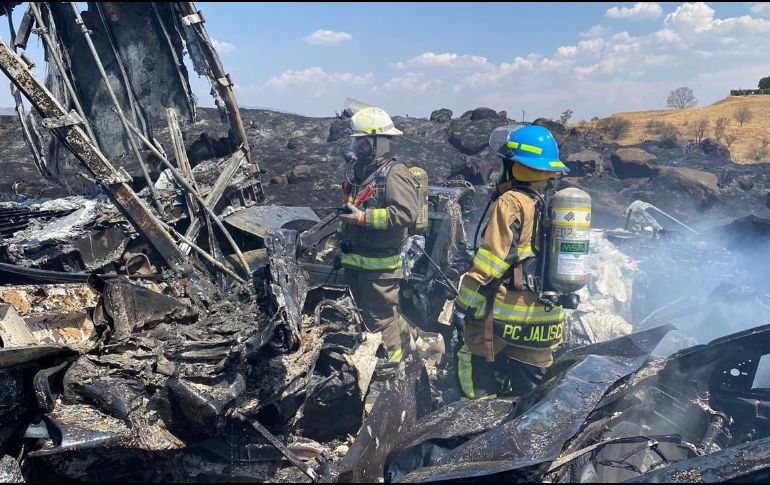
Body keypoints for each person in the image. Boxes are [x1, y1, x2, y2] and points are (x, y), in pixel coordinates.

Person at [452, 125, 569, 399]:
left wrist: (463, 306)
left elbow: (490, 265)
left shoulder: (511, 202)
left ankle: (476, 424)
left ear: (515, 165)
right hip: (548, 317)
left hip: (510, 313)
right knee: (533, 391)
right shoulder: (555, 204)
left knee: (469, 352)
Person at [336, 106, 419, 365]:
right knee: (370, 316)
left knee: (380, 320)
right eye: (355, 140)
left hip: (380, 267)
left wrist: (364, 218)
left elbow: (406, 214)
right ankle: (410, 349)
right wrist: (340, 243)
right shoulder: (362, 174)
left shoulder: (394, 174)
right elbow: (349, 211)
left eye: (361, 141)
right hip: (357, 263)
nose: (356, 146)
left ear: (377, 142)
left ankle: (391, 369)